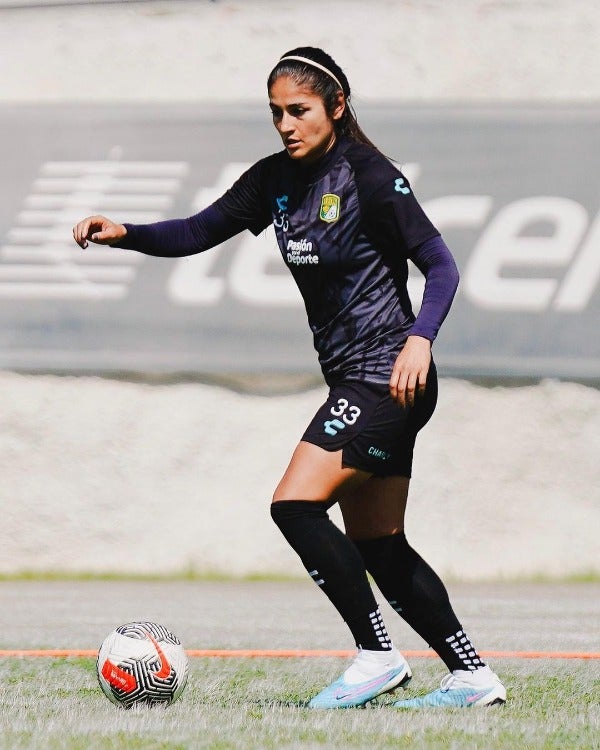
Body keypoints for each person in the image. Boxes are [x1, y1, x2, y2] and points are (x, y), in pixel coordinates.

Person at [73, 46, 506, 710]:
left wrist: (420, 338)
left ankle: (375, 655)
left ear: (336, 107)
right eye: (275, 112)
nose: (285, 124)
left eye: (298, 110)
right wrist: (124, 232)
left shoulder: (370, 176)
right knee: (378, 543)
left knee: (294, 504)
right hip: (361, 381)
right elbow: (196, 231)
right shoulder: (275, 179)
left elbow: (441, 265)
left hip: (386, 376)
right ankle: (472, 675)